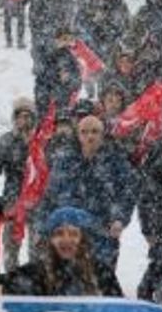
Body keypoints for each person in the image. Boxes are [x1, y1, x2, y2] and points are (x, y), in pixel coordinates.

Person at [37, 115, 136, 269]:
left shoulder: (116, 161)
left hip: (102, 233)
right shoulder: (64, 161)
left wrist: (119, 219)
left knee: (100, 279)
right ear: (78, 135)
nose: (90, 136)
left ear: (102, 135)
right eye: (84, 132)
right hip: (68, 235)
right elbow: (50, 196)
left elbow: (127, 194)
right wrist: (42, 228)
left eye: (95, 131)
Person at [4, 206, 124, 297]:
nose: (66, 240)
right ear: (50, 240)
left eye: (73, 234)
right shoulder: (32, 273)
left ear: (82, 240)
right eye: (59, 233)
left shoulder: (102, 273)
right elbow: (0, 289)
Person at [0, 97, 36, 271]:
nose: (24, 120)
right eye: (20, 115)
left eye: (28, 116)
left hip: (36, 199)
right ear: (15, 118)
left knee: (38, 246)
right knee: (11, 245)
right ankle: (12, 278)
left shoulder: (40, 138)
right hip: (13, 198)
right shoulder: (7, 140)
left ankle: (37, 278)